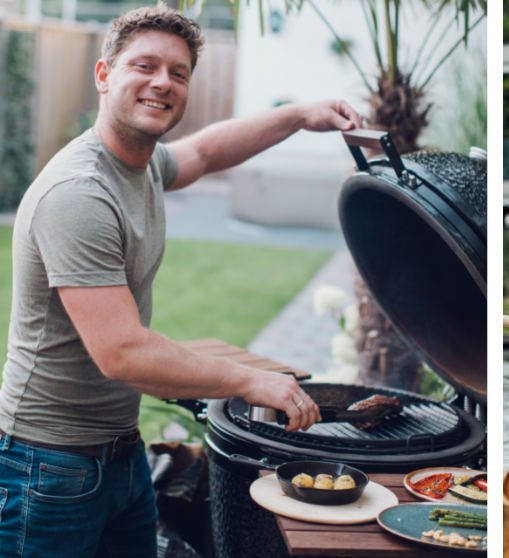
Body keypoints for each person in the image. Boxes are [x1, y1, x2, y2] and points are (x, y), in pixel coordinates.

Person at [0, 3, 362, 556]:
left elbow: (206, 151)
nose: (162, 83)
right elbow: (123, 353)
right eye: (144, 66)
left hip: (118, 456)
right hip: (50, 469)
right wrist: (250, 380)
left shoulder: (140, 164)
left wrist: (298, 116)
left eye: (178, 72)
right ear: (104, 75)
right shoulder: (79, 194)